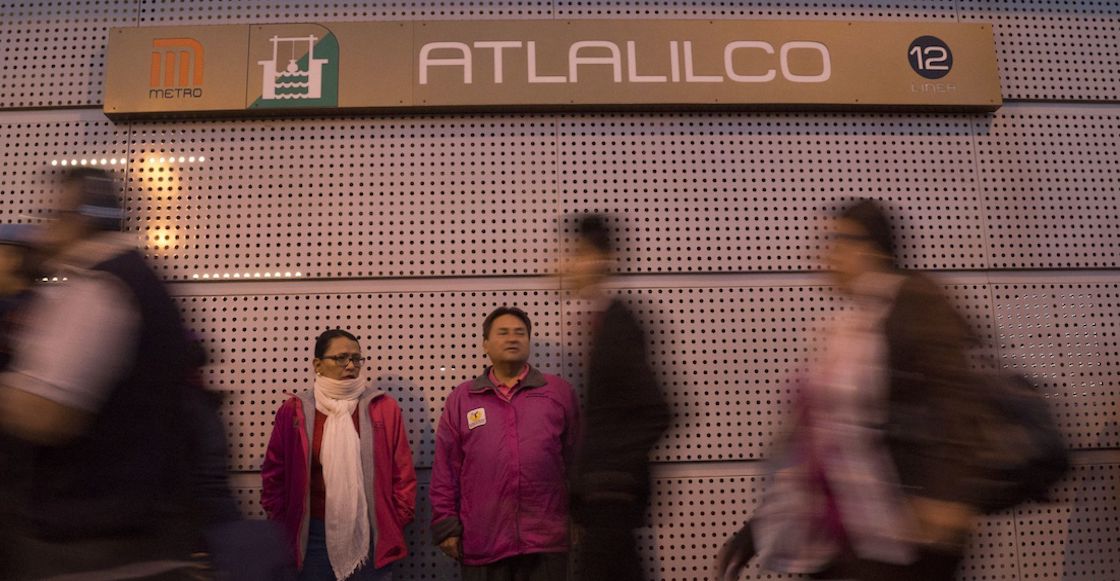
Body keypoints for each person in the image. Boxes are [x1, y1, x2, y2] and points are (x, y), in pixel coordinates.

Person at [716, 198, 980, 581]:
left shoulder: (916, 304)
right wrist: (757, 527)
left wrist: (946, 495)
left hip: (909, 527)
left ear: (872, 247)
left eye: (837, 240)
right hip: (846, 535)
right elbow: (815, 442)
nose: (826, 254)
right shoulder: (844, 328)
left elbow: (955, 399)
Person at [0, 167, 206, 579]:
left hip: (91, 544)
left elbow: (48, 415)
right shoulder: (142, 281)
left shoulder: (97, 288)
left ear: (76, 219)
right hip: (143, 534)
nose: (45, 231)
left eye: (53, 216)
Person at [430, 306, 579, 581]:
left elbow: (577, 460)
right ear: (485, 344)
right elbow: (445, 469)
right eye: (503, 333)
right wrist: (446, 525)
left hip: (546, 539)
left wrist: (581, 516)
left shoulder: (558, 392)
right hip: (483, 538)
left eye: (520, 333)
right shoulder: (463, 398)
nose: (512, 338)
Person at [563, 214, 671, 581]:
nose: (564, 264)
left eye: (575, 254)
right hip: (604, 495)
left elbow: (658, 411)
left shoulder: (618, 322)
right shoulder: (600, 322)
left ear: (600, 259)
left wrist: (608, 469)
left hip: (610, 494)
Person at [261, 329, 417, 580]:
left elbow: (403, 474)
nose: (351, 365)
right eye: (341, 358)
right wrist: (284, 523)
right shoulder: (294, 411)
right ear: (317, 364)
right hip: (311, 536)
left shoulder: (382, 407)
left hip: (370, 534)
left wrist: (392, 522)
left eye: (356, 358)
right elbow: (274, 476)